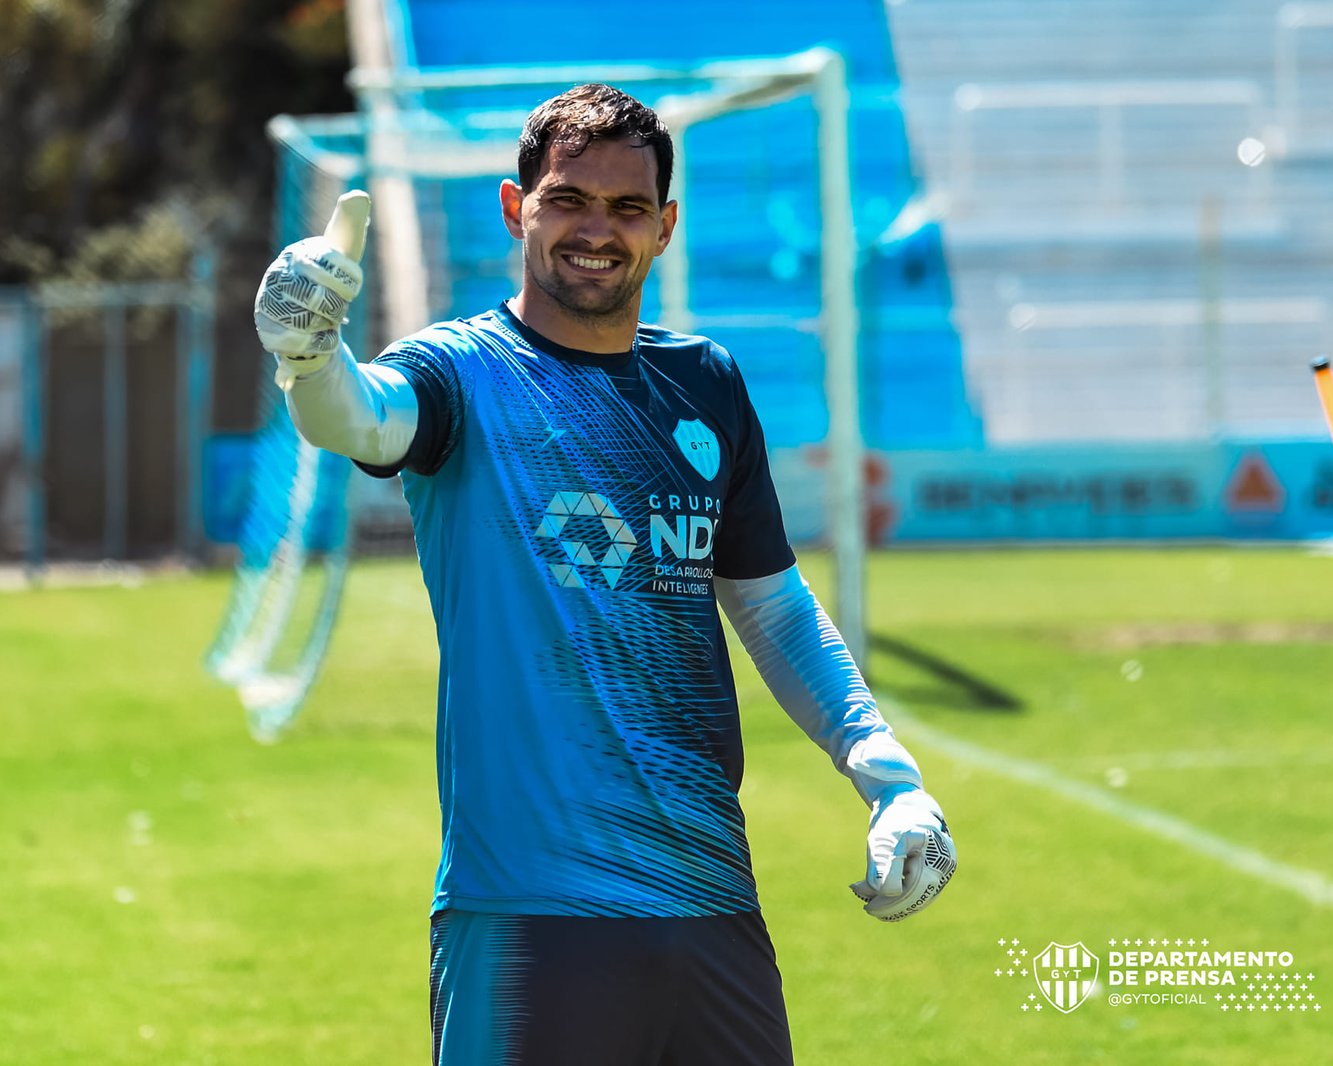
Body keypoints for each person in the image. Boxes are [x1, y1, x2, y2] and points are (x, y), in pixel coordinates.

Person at [253, 83, 956, 1066]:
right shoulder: (461, 372)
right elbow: (361, 418)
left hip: (709, 902)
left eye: (627, 209)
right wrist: (307, 357)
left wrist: (888, 780)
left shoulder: (703, 382)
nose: (598, 231)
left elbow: (771, 605)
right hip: (528, 916)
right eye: (568, 200)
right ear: (515, 208)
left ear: (665, 227)